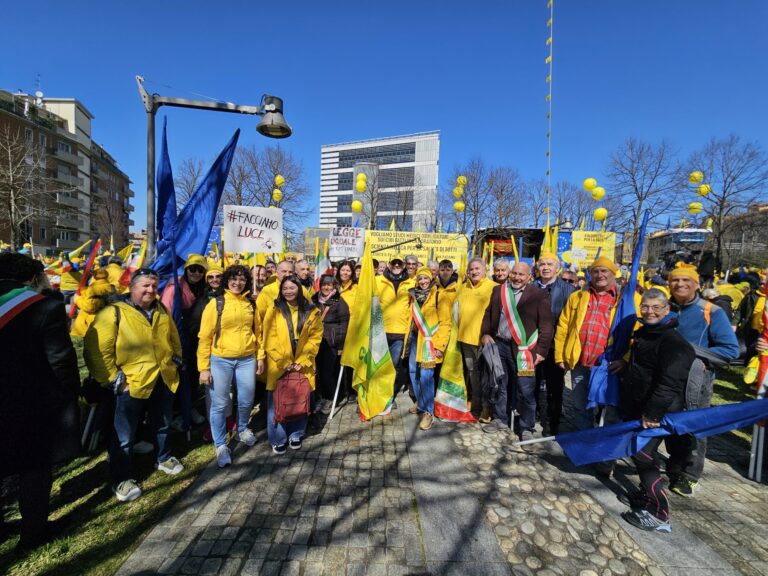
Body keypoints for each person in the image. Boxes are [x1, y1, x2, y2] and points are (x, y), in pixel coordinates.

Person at [84, 268, 185, 503]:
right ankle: (122, 479)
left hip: (162, 377)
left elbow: (173, 336)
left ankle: (164, 457)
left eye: (153, 285)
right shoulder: (113, 313)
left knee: (162, 423)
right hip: (130, 383)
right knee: (124, 436)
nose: (150, 290)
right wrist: (113, 379)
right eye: (145, 286)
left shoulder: (161, 309)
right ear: (132, 287)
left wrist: (177, 359)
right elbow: (95, 349)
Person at [0, 254, 80, 547]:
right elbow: (60, 361)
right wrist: (68, 395)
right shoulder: (44, 307)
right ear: (34, 279)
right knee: (35, 465)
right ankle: (34, 532)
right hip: (30, 402)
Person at [617, 288, 693, 533]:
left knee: (642, 454)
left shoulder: (673, 342)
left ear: (666, 309)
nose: (649, 312)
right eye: (646, 307)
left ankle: (659, 513)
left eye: (656, 308)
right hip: (641, 405)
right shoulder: (645, 334)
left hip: (660, 411)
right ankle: (647, 494)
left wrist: (652, 414)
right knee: (641, 455)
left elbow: (669, 382)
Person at [665, 263, 740, 497]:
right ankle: (675, 467)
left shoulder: (711, 312)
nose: (680, 284)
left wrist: (688, 350)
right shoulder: (666, 309)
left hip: (697, 381)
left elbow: (730, 351)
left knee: (694, 427)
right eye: (675, 280)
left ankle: (690, 475)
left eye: (686, 280)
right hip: (668, 379)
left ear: (697, 284)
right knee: (671, 426)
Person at [481, 261, 553, 439]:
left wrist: (541, 352)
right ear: (510, 274)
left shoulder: (538, 294)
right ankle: (500, 418)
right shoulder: (499, 291)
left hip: (525, 351)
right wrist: (484, 334)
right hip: (500, 346)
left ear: (529, 277)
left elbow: (546, 326)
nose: (517, 277)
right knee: (500, 384)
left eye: (522, 274)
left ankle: (526, 427)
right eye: (514, 273)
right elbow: (489, 314)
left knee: (525, 389)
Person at [197, 265, 259, 468]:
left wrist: (260, 357)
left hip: (247, 359)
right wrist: (203, 368)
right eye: (233, 278)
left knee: (246, 398)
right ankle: (221, 444)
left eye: (242, 279)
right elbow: (204, 337)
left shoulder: (251, 303)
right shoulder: (215, 304)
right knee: (220, 403)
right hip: (221, 360)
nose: (237, 283)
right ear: (226, 281)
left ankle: (242, 429)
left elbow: (258, 333)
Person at [554, 256, 622, 431]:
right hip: (580, 361)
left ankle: (604, 443)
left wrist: (625, 359)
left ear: (613, 274)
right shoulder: (577, 296)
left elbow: (633, 331)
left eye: (604, 271)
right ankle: (585, 439)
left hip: (607, 365)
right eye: (596, 271)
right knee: (580, 404)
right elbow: (563, 326)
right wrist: (560, 355)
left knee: (607, 408)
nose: (600, 275)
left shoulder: (624, 299)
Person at [258, 275, 323, 454]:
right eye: (285, 288)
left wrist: (302, 361)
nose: (288, 291)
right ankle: (278, 437)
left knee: (301, 398)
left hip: (304, 361)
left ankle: (296, 434)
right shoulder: (274, 309)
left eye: (292, 288)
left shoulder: (312, 310)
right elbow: (269, 338)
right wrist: (285, 361)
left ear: (299, 289)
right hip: (279, 363)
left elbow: (315, 337)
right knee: (277, 401)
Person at [160, 254, 209, 427]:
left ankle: (190, 407)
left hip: (197, 339)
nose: (196, 273)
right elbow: (166, 314)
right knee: (181, 376)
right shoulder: (175, 287)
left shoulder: (204, 288)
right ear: (186, 269)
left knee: (193, 376)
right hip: (179, 338)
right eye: (192, 269)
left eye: (200, 269)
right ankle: (177, 412)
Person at [534, 252, 576, 435]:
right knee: (531, 383)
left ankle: (553, 422)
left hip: (554, 347)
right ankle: (533, 414)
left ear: (557, 268)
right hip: (531, 346)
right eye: (542, 264)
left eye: (549, 264)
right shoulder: (530, 287)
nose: (545, 267)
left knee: (554, 387)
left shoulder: (569, 291)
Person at [404, 267, 450, 430]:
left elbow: (445, 323)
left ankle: (428, 413)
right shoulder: (413, 296)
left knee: (426, 376)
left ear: (431, 279)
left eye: (425, 278)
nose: (423, 282)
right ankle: (422, 403)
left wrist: (440, 345)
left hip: (430, 342)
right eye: (420, 279)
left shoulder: (439, 295)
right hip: (416, 339)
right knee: (413, 372)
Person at [457, 257, 496, 420]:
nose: (474, 272)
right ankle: (476, 403)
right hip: (466, 339)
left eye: (477, 268)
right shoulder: (462, 287)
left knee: (487, 376)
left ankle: (488, 408)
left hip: (484, 340)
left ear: (484, 270)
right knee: (472, 373)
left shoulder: (494, 288)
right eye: (471, 269)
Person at [377, 257, 417, 401]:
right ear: (389, 264)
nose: (396, 265)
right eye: (394, 263)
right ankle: (377, 395)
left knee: (393, 365)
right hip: (381, 332)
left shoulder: (411, 284)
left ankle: (388, 396)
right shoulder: (378, 281)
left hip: (400, 333)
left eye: (399, 264)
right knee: (380, 365)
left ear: (404, 266)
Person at [312, 275, 352, 412]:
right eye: (324, 284)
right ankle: (320, 396)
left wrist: (340, 344)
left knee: (327, 372)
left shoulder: (339, 301)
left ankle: (329, 398)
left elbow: (344, 324)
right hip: (315, 341)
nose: (326, 287)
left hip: (331, 342)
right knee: (317, 371)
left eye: (329, 285)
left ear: (334, 286)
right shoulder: (314, 299)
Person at [70, 268, 115, 337]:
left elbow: (89, 306)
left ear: (94, 276)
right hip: (103, 320)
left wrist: (77, 299)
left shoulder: (94, 289)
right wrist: (83, 290)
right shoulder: (109, 286)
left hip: (89, 324)